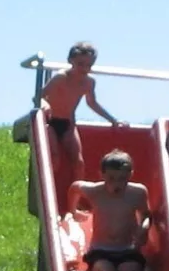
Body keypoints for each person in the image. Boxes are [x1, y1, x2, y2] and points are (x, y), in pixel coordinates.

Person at [70, 149, 153, 271]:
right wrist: (72, 210)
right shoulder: (95, 191)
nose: (117, 184)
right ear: (102, 175)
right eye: (111, 179)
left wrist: (144, 228)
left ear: (131, 175)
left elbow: (146, 214)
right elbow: (75, 187)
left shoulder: (137, 193)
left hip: (128, 248)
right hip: (101, 249)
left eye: (122, 179)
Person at [39, 42, 121, 183]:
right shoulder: (61, 77)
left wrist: (112, 120)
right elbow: (39, 96)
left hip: (68, 124)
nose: (84, 68)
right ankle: (47, 191)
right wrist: (45, 105)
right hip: (50, 122)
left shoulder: (89, 82)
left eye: (89, 65)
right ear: (70, 61)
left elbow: (92, 103)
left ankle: (77, 199)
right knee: (54, 158)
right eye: (81, 64)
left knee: (79, 162)